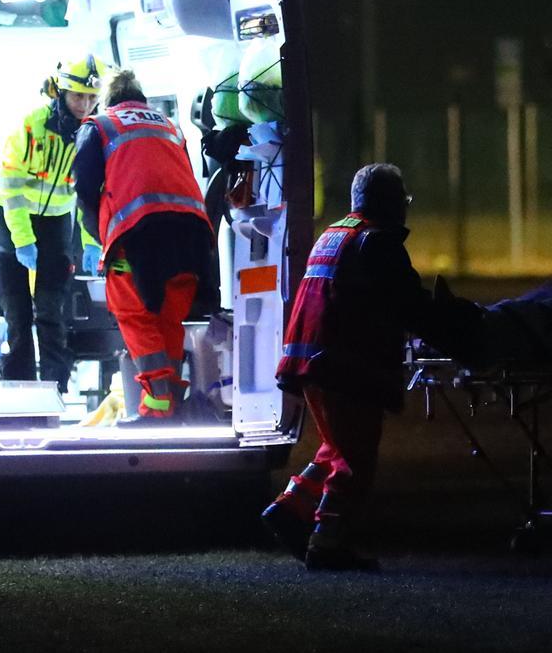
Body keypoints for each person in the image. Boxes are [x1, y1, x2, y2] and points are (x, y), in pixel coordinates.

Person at [260, 163, 460, 572]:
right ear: (386, 202)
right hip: (343, 366)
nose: (405, 210)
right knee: (356, 458)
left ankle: (291, 506)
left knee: (337, 446)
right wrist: (456, 329)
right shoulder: (377, 241)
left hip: (310, 360)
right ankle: (327, 542)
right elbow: (408, 302)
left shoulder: (335, 234)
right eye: (402, 201)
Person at [73, 69, 213, 424]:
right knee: (170, 316)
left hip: (139, 235)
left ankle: (157, 405)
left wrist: (100, 241)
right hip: (193, 234)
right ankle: (171, 405)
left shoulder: (100, 126)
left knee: (135, 315)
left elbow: (86, 192)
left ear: (109, 100)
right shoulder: (171, 127)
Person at [0, 54, 107, 388]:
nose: (84, 105)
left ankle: (56, 387)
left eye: (91, 97)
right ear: (59, 92)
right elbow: (10, 187)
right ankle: (18, 386)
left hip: (56, 222)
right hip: (11, 218)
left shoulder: (92, 134)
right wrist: (22, 239)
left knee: (51, 311)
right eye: (77, 96)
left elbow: (90, 192)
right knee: (17, 312)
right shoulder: (31, 126)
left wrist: (91, 241)